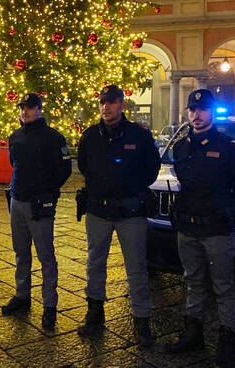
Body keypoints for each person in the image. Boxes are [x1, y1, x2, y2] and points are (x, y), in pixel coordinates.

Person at [165, 89, 235, 368]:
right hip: (188, 228)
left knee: (223, 286)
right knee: (192, 281)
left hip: (217, 230)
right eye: (193, 110)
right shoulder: (180, 147)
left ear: (212, 112)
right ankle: (194, 332)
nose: (197, 115)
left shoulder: (230, 147)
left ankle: (227, 340)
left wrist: (226, 207)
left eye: (203, 109)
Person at [76, 85, 161, 347]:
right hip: (98, 210)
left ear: (122, 104)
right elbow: (84, 167)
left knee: (136, 267)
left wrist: (128, 187)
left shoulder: (139, 135)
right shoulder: (90, 136)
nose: (106, 107)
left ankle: (142, 320)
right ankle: (95, 313)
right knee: (94, 263)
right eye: (102, 102)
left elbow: (151, 169)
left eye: (111, 102)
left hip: (130, 211)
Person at [1, 93, 72, 330]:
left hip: (39, 204)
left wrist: (47, 192)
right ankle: (22, 295)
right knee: (21, 252)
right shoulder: (15, 137)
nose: (25, 112)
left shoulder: (53, 137)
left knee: (46, 256)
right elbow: (15, 165)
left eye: (30, 108)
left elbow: (64, 170)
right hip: (18, 202)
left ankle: (49, 305)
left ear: (40, 109)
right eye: (22, 108)